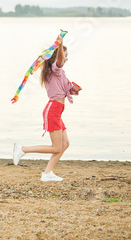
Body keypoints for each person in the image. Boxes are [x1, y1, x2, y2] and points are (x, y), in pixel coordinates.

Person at [13, 40, 82, 181]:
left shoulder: (59, 72)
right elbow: (60, 60)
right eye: (65, 55)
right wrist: (60, 45)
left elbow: (65, 88)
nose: (67, 58)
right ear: (57, 57)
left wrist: (74, 88)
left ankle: (47, 173)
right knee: (56, 147)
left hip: (57, 111)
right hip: (52, 111)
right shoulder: (54, 70)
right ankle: (23, 149)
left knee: (65, 144)